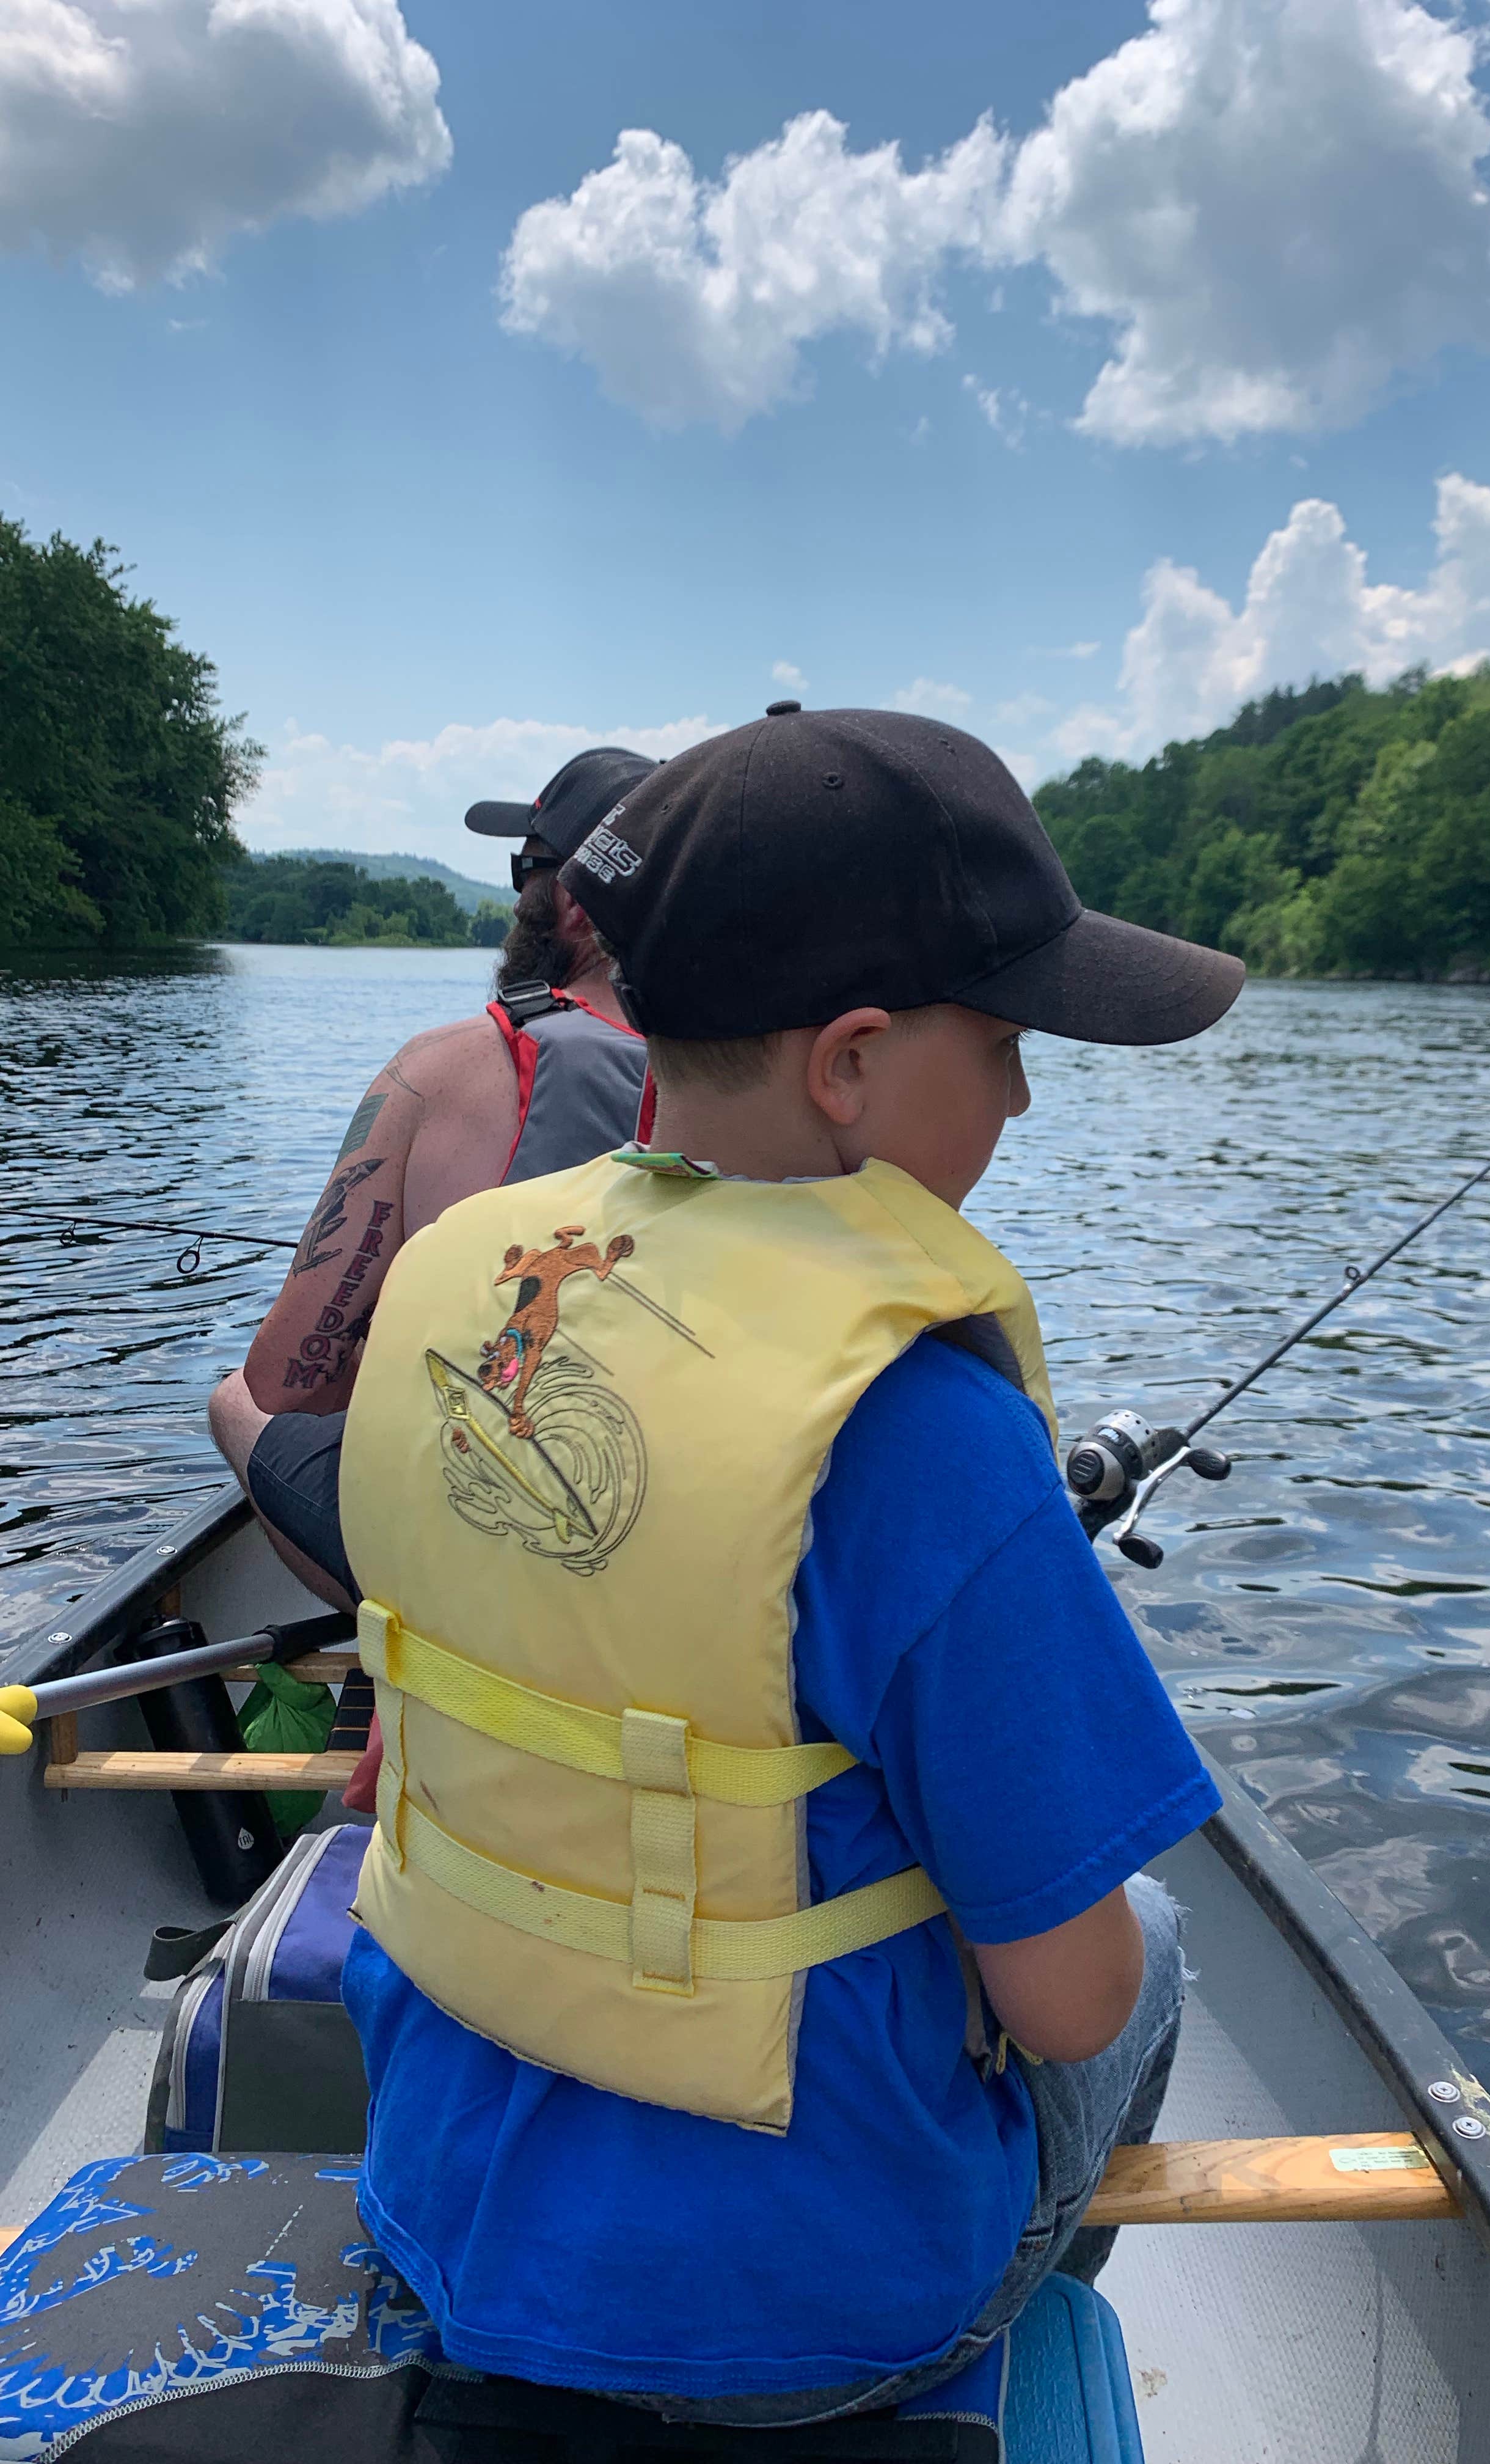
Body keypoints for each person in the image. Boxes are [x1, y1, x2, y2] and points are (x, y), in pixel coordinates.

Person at [331, 704, 1246, 2422]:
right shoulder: (924, 1429)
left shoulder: (462, 1288)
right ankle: (1008, 2354)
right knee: (1156, 1935)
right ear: (850, 1065)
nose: (1025, 1092)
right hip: (806, 2320)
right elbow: (1073, 2007)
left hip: (443, 2208)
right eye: (1006, 1042)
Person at [208, 745, 658, 1611]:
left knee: (237, 1405)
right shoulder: (752, 1088)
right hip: (674, 1545)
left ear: (572, 903)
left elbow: (285, 1389)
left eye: (528, 870)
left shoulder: (441, 1069)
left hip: (477, 1579)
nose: (519, 899)